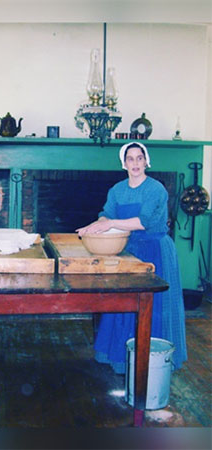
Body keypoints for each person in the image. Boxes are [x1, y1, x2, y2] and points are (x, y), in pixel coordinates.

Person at [76, 142, 187, 374]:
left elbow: (143, 222)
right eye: (130, 158)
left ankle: (152, 361)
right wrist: (93, 227)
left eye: (139, 158)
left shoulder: (156, 189)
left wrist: (110, 224)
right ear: (123, 163)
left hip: (155, 252)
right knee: (124, 302)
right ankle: (121, 359)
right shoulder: (117, 190)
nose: (135, 163)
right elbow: (107, 214)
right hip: (128, 250)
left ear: (146, 161)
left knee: (154, 305)